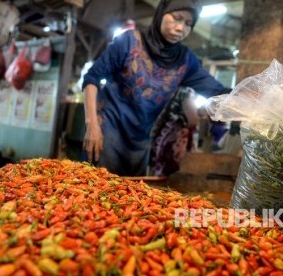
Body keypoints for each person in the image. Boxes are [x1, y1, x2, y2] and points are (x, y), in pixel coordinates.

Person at [82, 0, 230, 176]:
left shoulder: (185, 60)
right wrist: (91, 124)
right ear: (161, 13)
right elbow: (92, 78)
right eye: (176, 18)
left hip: (139, 143)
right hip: (106, 134)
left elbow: (216, 90)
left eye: (188, 24)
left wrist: (250, 99)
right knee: (95, 194)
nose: (180, 28)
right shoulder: (128, 42)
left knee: (131, 197)